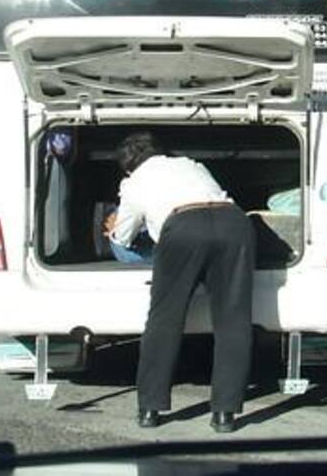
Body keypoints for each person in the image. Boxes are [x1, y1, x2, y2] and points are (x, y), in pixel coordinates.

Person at [108, 132, 256, 433]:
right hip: (234, 224)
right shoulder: (191, 164)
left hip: (183, 230)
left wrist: (112, 228)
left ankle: (150, 408)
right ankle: (225, 415)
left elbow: (123, 236)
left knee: (165, 319)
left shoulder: (134, 181)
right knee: (233, 322)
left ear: (128, 167)